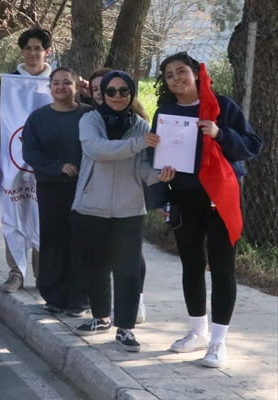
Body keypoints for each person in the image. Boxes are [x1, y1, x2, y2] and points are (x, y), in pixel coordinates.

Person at [150, 52, 262, 368]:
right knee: (191, 265)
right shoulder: (166, 113)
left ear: (196, 73)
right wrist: (163, 188)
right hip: (185, 197)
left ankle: (218, 341)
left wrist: (219, 133)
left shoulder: (222, 106)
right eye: (169, 74)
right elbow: (156, 159)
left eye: (181, 71)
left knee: (223, 268)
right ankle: (197, 332)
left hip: (222, 196)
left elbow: (252, 146)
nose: (176, 78)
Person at [71, 71, 163, 350]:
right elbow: (98, 150)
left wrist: (163, 174)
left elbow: (144, 169)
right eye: (111, 91)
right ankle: (101, 317)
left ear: (132, 94)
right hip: (92, 205)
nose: (118, 96)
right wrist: (138, 144)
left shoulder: (141, 126)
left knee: (128, 270)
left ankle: (125, 327)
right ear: (103, 94)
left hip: (129, 209)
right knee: (95, 264)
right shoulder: (90, 120)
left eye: (124, 91)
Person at [0, 27, 54, 292]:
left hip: (46, 165)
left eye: (38, 48)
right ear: (22, 51)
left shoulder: (57, 81)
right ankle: (16, 272)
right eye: (28, 48)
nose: (33, 53)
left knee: (42, 216)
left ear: (47, 51)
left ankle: (42, 274)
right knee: (14, 212)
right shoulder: (10, 81)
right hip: (12, 160)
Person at [21, 68, 91, 316]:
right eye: (56, 83)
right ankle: (53, 296)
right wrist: (58, 167)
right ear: (49, 88)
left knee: (81, 242)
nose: (61, 87)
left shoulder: (89, 114)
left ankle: (80, 299)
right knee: (53, 241)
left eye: (67, 83)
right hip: (51, 188)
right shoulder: (38, 118)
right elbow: (30, 153)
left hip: (85, 190)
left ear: (76, 87)